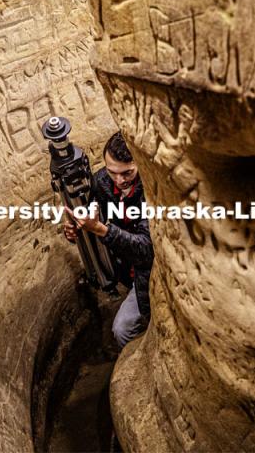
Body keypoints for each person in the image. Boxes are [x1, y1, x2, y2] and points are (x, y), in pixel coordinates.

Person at [63, 132, 154, 349]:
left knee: (122, 329)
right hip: (125, 272)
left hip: (150, 274)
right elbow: (92, 214)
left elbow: (146, 249)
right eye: (112, 172)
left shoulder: (151, 190)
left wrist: (101, 230)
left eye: (127, 173)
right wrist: (76, 231)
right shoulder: (102, 181)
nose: (119, 180)